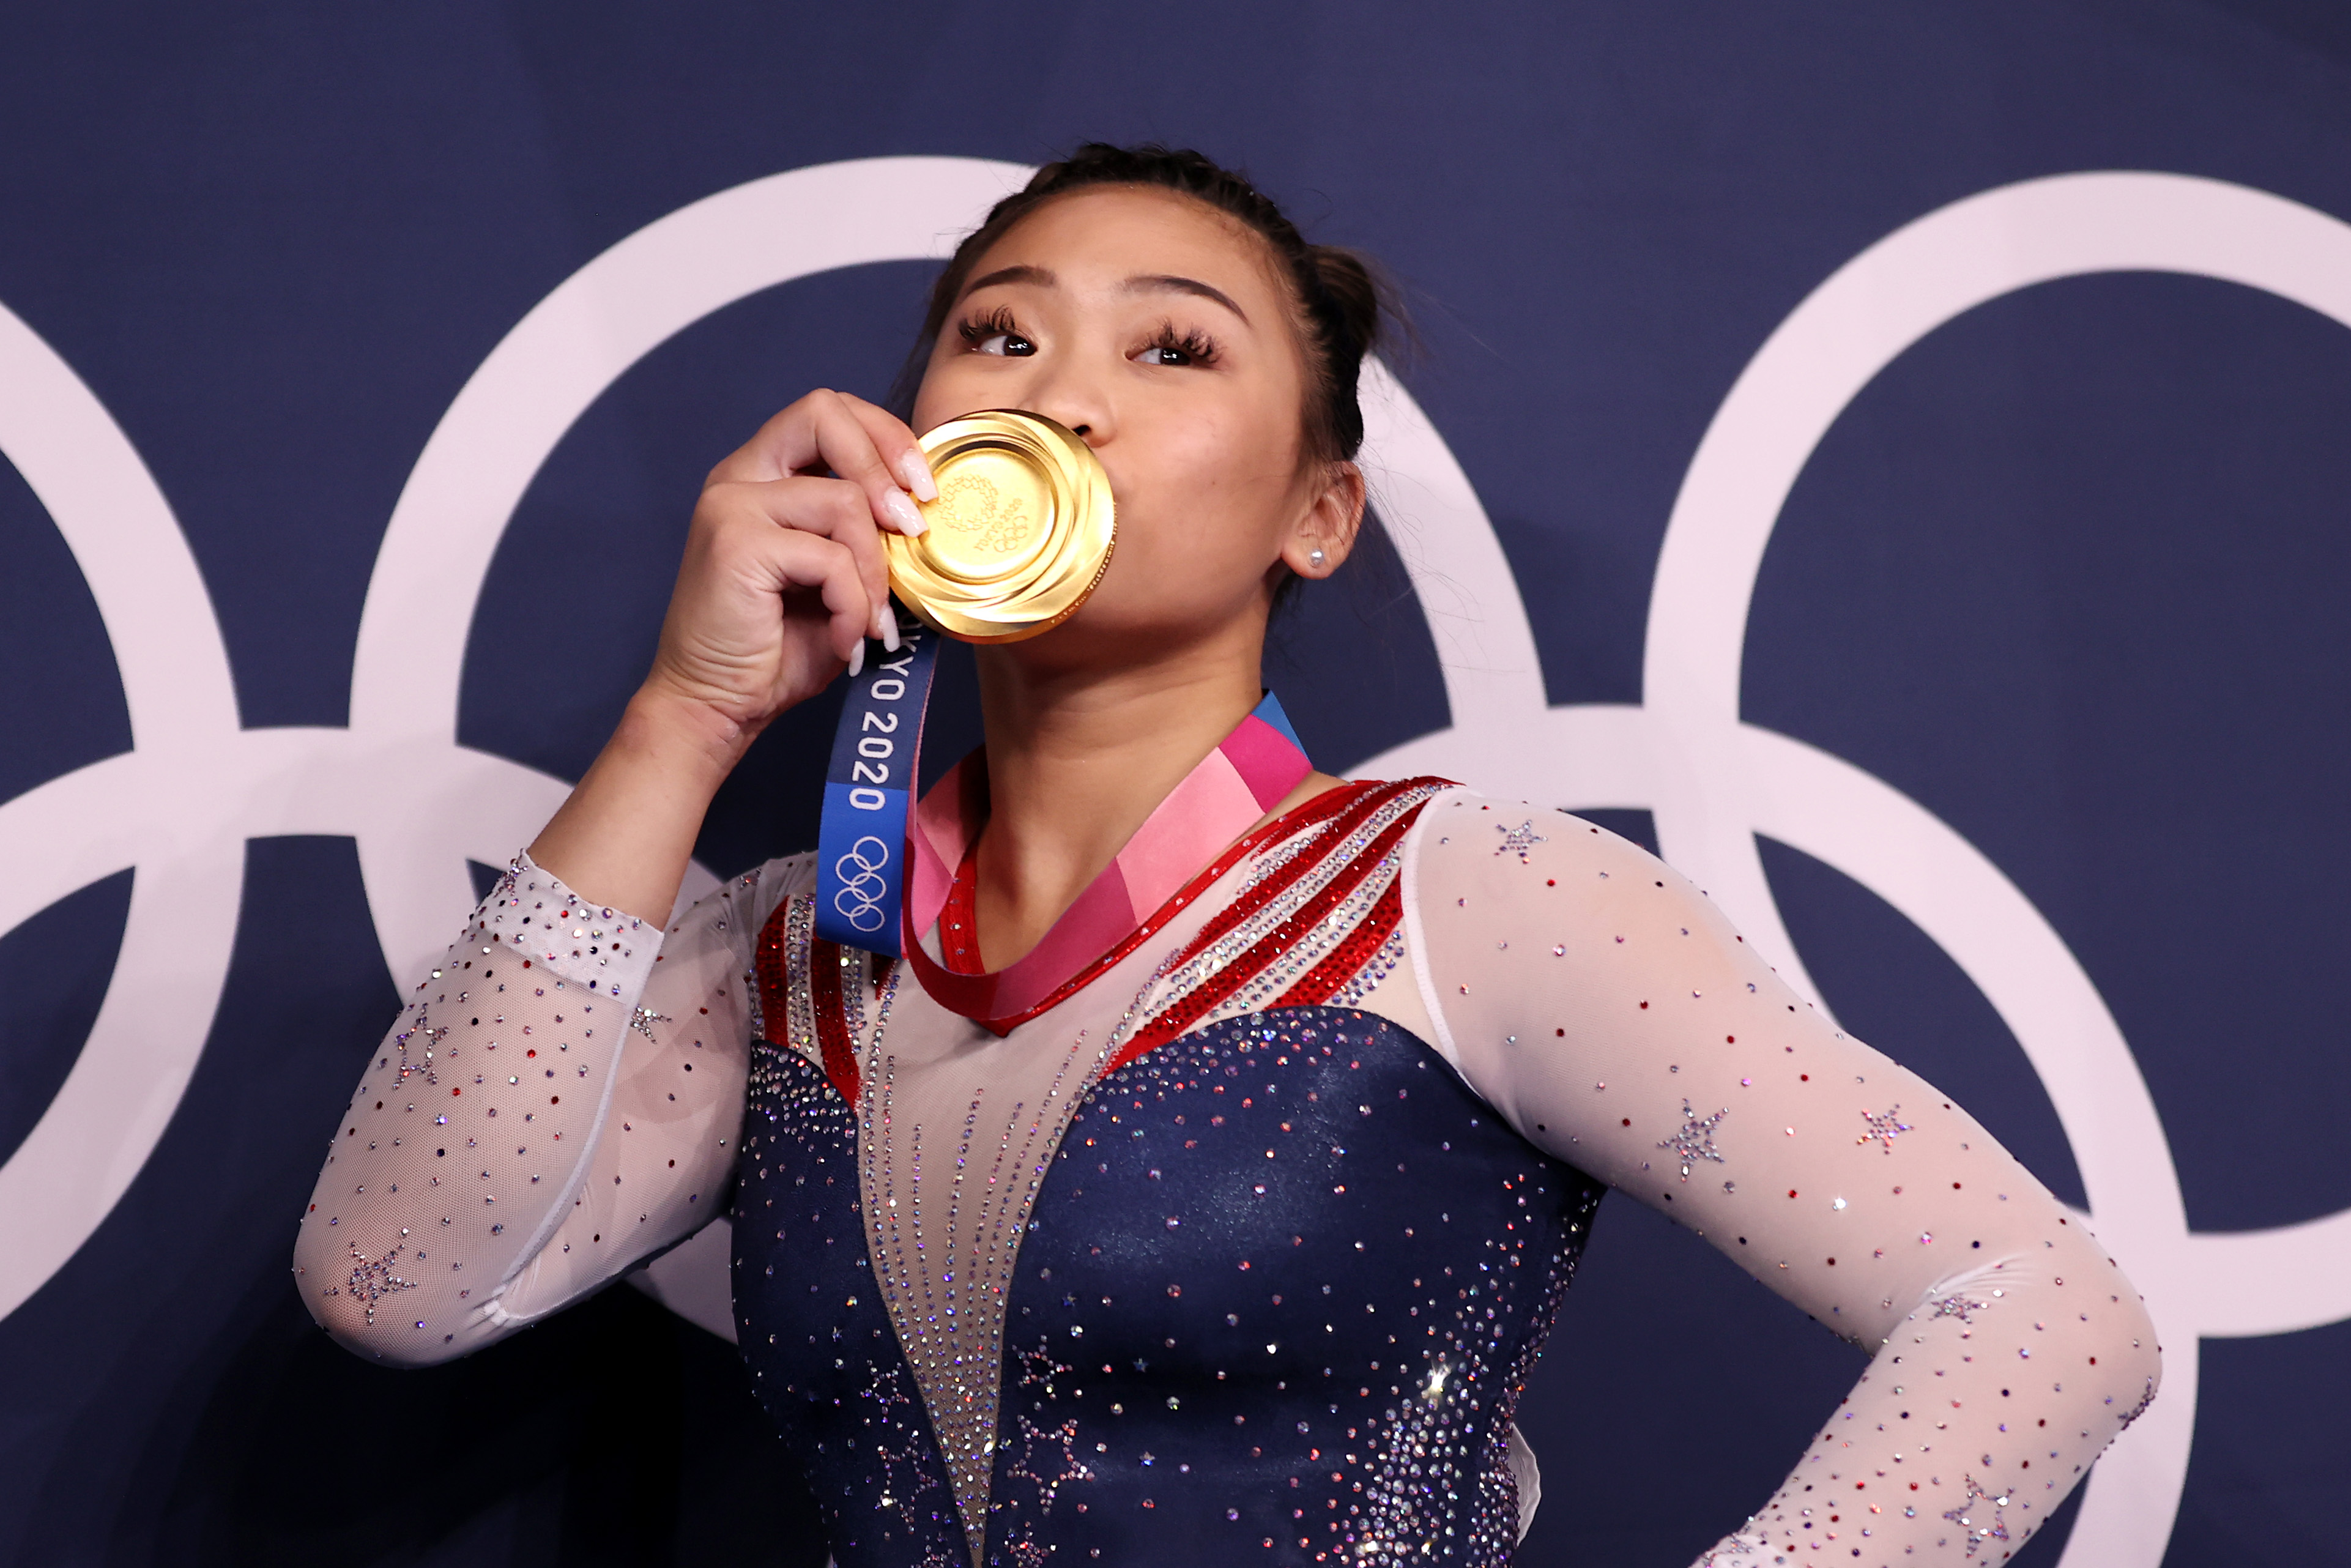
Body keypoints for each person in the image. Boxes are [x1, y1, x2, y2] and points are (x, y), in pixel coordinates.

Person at [294, 144, 2159, 1567]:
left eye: (1171, 345)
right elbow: (393, 1279)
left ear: (1317, 513)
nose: (1060, 394)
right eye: (996, 334)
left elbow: (2045, 1309)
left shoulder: (1465, 900)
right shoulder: (785, 953)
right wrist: (684, 720)